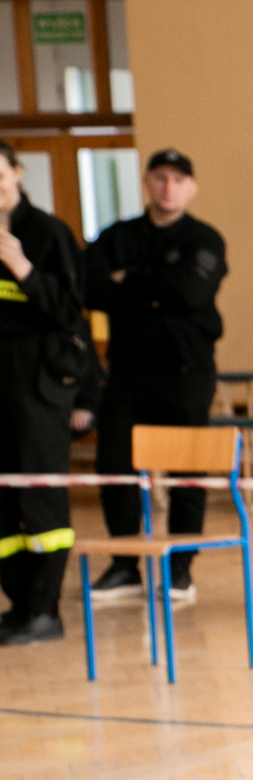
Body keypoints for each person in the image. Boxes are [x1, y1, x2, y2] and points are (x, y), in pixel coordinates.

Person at [84, 148, 227, 605]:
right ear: (147, 182)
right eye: (161, 178)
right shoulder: (117, 236)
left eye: (178, 180)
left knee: (187, 472)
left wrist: (130, 280)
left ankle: (179, 568)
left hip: (186, 373)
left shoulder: (204, 239)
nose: (169, 187)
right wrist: (158, 288)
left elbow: (192, 290)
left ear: (191, 188)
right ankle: (125, 563)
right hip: (128, 373)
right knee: (115, 467)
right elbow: (91, 288)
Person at [0, 140, 92, 646]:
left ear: (16, 173)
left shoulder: (48, 233)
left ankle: (45, 608)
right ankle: (19, 605)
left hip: (38, 383)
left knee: (40, 499)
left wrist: (24, 269)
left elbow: (70, 313)